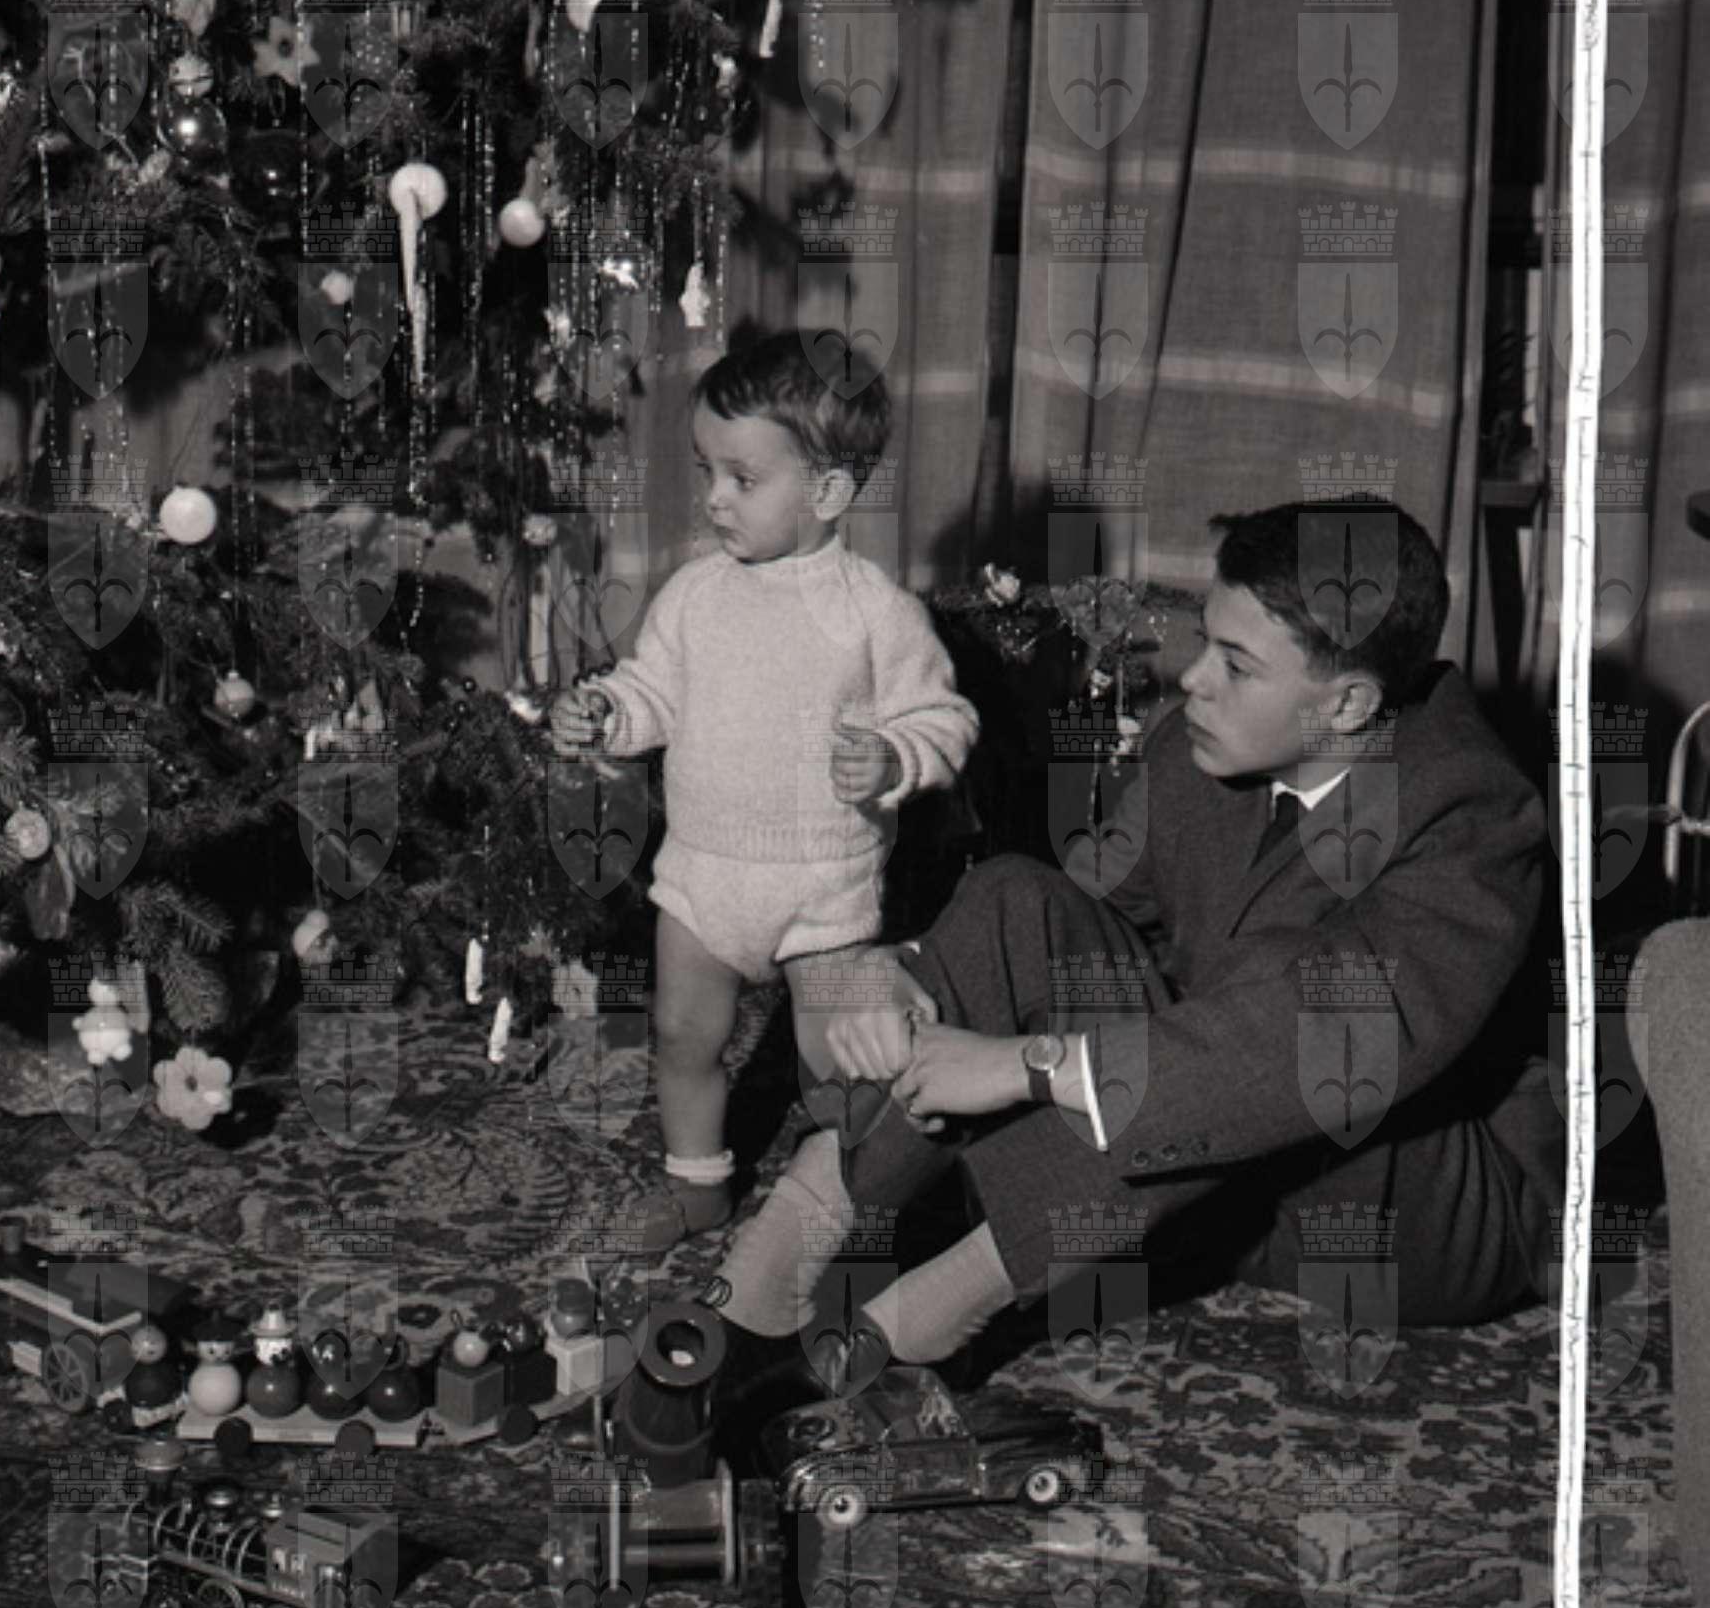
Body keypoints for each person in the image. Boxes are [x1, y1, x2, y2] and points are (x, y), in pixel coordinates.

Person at [702, 495, 1562, 1403]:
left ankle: (924, 1320)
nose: (1193, 679)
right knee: (1016, 896)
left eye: (1235, 665)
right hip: (1225, 1185)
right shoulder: (1198, 744)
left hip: (1414, 1216)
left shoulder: (1471, 812)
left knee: (1266, 997)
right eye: (1205, 642)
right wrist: (902, 971)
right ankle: (774, 1268)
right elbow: (1078, 924)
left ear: (1347, 703)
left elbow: (1323, 1042)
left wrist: (1026, 1067)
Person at [549, 333, 979, 1256]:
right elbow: (653, 691)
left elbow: (943, 719)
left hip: (825, 886)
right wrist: (607, 713)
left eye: (743, 479)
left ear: (828, 492)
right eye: (707, 470)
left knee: (837, 1068)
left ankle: (857, 1194)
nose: (714, 498)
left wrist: (895, 758)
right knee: (681, 1035)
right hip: (702, 875)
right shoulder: (695, 593)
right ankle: (695, 1184)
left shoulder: (875, 611)